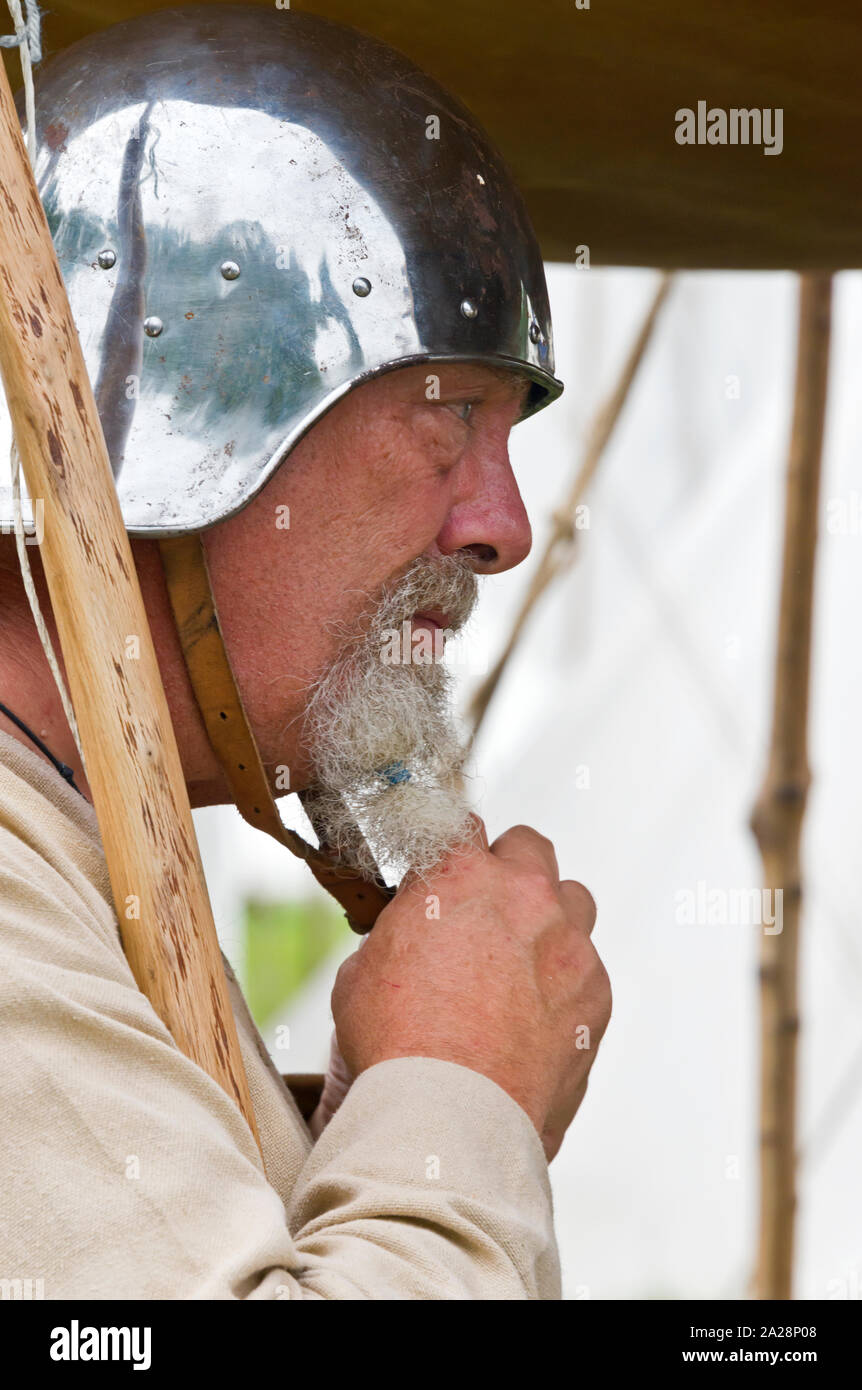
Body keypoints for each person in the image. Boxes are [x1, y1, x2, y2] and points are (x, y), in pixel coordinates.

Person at [0, 5, 610, 1299]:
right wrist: (459, 1096)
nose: (500, 527)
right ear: (183, 418)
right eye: (448, 421)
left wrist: (364, 1123)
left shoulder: (61, 849)